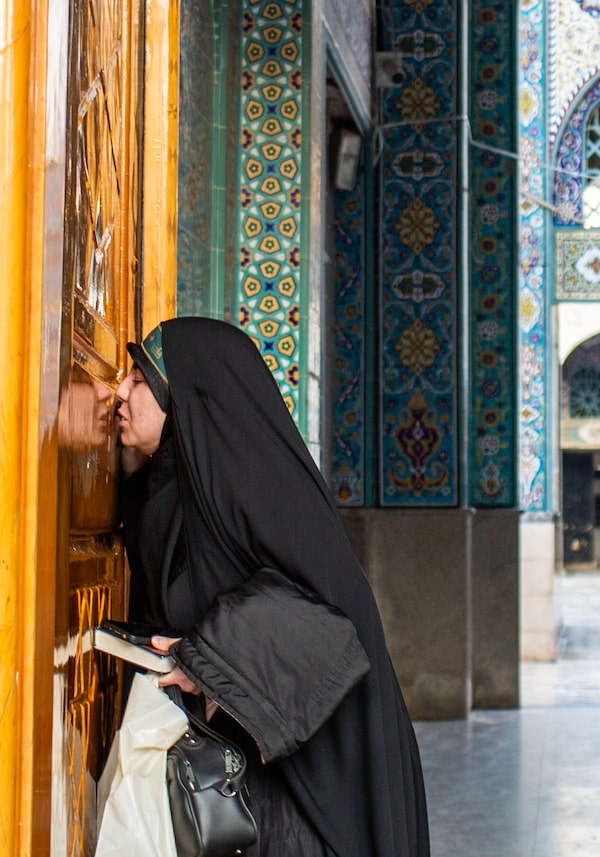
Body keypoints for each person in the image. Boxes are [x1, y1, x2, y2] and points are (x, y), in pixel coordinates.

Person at [115, 316, 430, 857]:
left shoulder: (266, 497)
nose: (117, 392)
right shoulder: (188, 492)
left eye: (140, 380)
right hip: (237, 795)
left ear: (189, 396)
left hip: (308, 807)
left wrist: (208, 659)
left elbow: (328, 622)